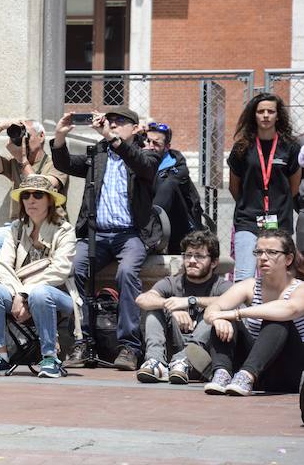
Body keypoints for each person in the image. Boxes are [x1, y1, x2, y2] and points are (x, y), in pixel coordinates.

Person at [51, 108, 161, 371]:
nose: (112, 124)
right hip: (94, 234)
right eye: (110, 121)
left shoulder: (146, 153)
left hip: (130, 234)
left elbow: (141, 164)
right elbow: (64, 164)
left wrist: (112, 137)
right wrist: (59, 137)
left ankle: (129, 347)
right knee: (74, 268)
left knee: (126, 273)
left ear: (135, 128)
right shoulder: (97, 154)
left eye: (120, 122)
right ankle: (82, 340)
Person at [0, 175, 78, 378]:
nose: (31, 200)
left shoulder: (65, 230)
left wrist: (23, 293)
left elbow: (60, 270)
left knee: (40, 293)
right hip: (19, 296)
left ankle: (50, 357)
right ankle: (0, 356)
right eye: (26, 195)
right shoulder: (16, 228)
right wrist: (18, 294)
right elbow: (3, 266)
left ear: (49, 200)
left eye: (38, 195)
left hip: (58, 298)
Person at [199, 229, 304, 396]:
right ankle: (222, 374)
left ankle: (246, 375)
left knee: (276, 318)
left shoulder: (300, 288)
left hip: (289, 371)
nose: (263, 258)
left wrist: (237, 314)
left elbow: (289, 309)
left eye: (271, 252)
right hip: (258, 369)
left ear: (288, 259)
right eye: (259, 252)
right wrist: (218, 319)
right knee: (225, 320)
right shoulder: (250, 285)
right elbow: (212, 310)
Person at [135, 230, 231, 384]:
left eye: (199, 256)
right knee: (153, 309)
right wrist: (171, 307)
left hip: (200, 360)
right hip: (173, 357)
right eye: (188, 255)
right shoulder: (173, 282)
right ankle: (156, 362)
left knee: (213, 313)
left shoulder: (222, 286)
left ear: (214, 262)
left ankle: (183, 361)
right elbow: (142, 299)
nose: (192, 260)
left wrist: (190, 301)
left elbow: (231, 302)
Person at [0, 119, 68, 271]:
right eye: (19, 136)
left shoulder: (57, 164)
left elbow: (40, 187)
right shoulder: (15, 164)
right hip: (19, 227)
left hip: (48, 227)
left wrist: (22, 159)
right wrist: (0, 128)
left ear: (41, 136)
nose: (23, 140)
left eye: (27, 135)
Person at [228, 93, 300, 281]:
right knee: (244, 275)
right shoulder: (242, 147)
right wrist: (251, 203)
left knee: (279, 276)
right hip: (248, 219)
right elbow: (234, 187)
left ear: (278, 115)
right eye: (261, 111)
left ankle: (271, 310)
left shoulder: (290, 147)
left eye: (270, 111)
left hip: (280, 220)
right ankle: (245, 312)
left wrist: (277, 204)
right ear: (254, 115)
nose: (266, 115)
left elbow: (293, 188)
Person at [143, 121, 205, 254]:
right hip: (145, 218)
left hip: (179, 223)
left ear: (167, 147)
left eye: (156, 143)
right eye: (147, 141)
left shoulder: (177, 166)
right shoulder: (137, 159)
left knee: (168, 184)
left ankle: (150, 234)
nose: (150, 146)